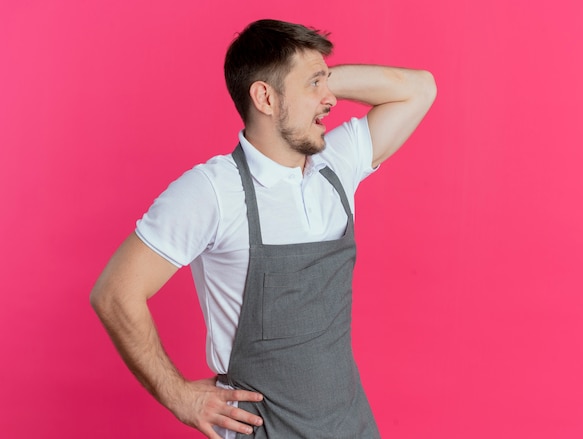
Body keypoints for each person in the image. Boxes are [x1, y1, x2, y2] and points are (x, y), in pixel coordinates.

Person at [90, 18, 436, 439]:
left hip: (352, 426)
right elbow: (114, 293)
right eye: (313, 85)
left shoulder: (336, 167)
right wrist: (179, 396)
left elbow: (420, 89)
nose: (331, 100)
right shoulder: (213, 191)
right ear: (265, 98)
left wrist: (320, 82)